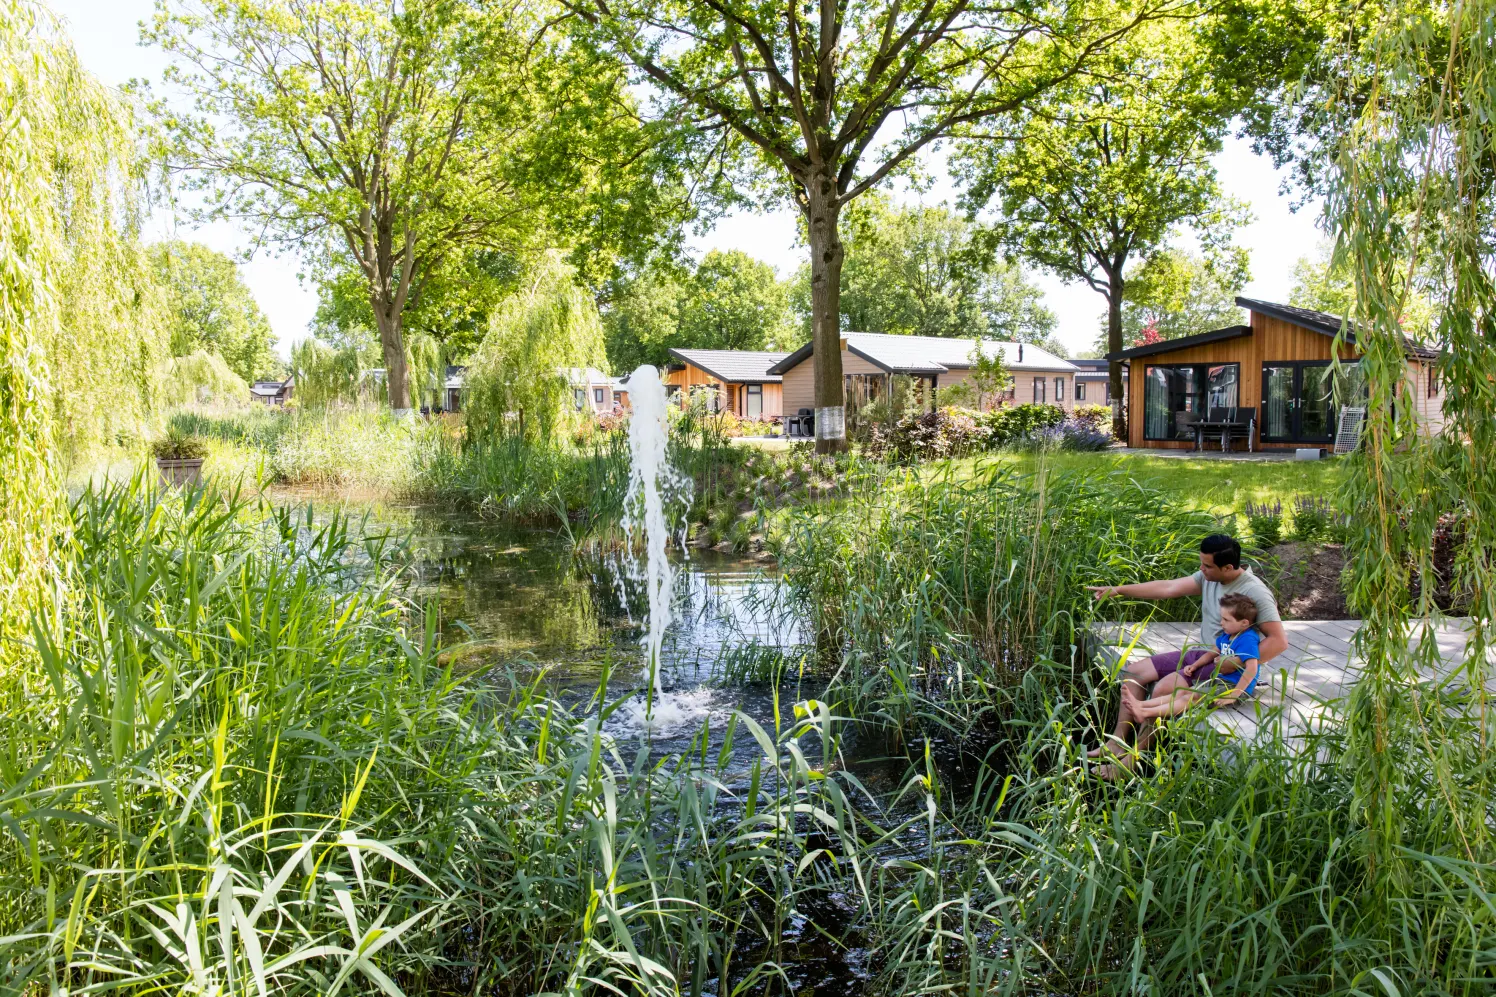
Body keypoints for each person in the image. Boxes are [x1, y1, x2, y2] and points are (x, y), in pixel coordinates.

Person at [1084, 533, 1285, 775]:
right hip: (1204, 653)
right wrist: (1119, 590)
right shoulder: (1210, 577)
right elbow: (1169, 587)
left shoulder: (1255, 592)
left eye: (1207, 565)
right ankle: (1115, 745)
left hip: (1223, 664)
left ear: (1228, 567)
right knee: (1134, 671)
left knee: (1162, 689)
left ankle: (1130, 762)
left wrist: (1236, 662)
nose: (1201, 569)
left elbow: (1279, 641)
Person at [1128, 593, 1262, 723]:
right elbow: (1213, 652)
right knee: (1183, 693)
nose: (1221, 623)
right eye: (1222, 618)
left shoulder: (1247, 639)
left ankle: (1145, 712)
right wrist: (1196, 665)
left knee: (1191, 698)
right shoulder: (1228, 635)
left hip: (1235, 688)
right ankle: (1141, 705)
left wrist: (1234, 694)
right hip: (1221, 681)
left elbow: (1252, 668)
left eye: (1226, 620)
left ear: (1244, 623)